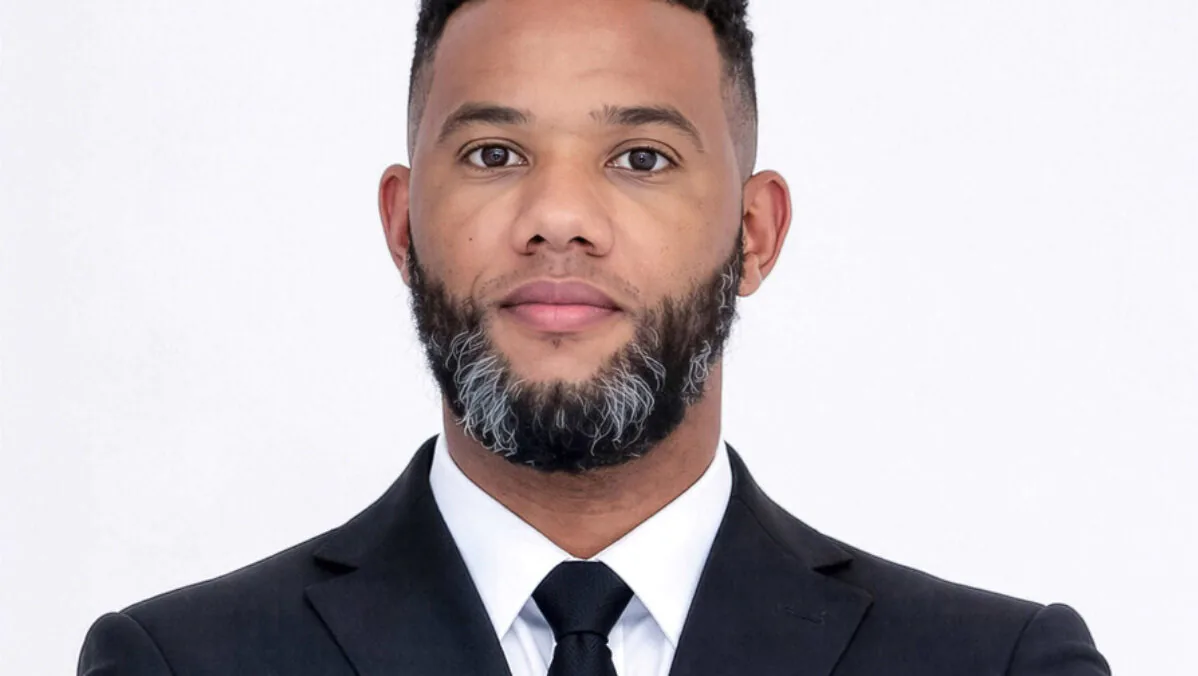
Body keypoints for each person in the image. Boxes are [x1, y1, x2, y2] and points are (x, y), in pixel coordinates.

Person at [78, 1, 1111, 674]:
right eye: (494, 153)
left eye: (641, 158)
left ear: (754, 234)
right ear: (403, 227)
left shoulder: (998, 664)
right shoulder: (178, 662)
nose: (559, 217)